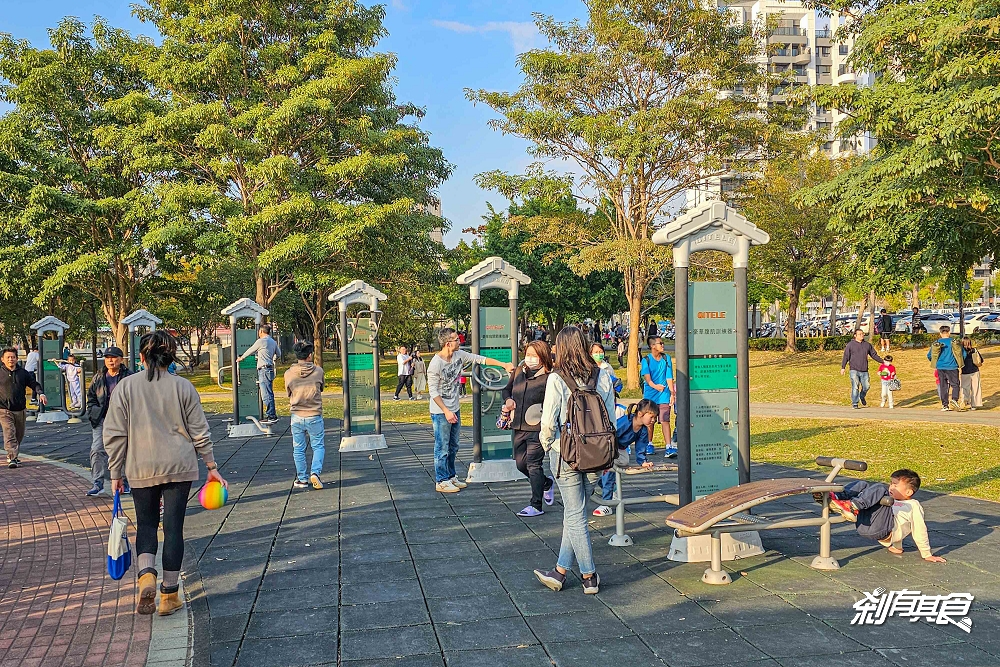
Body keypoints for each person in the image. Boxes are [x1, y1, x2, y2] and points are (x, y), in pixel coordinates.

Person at [104, 331, 227, 616]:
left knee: (146, 525)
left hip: (141, 466)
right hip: (179, 466)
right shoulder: (183, 387)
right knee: (173, 529)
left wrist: (115, 472)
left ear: (142, 357)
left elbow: (114, 434)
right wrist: (211, 466)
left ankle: (146, 574)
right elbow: (200, 431)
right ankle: (169, 595)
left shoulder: (125, 387)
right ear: (170, 357)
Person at [533, 326, 619, 595]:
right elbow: (611, 418)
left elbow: (548, 422)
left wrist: (549, 445)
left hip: (566, 454)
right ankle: (559, 571)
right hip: (597, 454)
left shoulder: (557, 378)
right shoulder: (602, 375)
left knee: (575, 515)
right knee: (576, 514)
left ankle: (589, 575)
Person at [427, 328, 514, 493]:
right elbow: (433, 392)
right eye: (456, 339)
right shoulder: (435, 364)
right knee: (442, 447)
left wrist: (503, 365)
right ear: (447, 343)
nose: (460, 341)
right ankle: (441, 480)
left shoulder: (459, 355)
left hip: (455, 408)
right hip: (441, 412)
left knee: (454, 446)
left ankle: (451, 476)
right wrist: (446, 411)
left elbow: (481, 359)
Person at [827, 469, 946, 563]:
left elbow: (918, 528)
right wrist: (898, 547)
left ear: (909, 492)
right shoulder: (888, 500)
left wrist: (927, 554)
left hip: (881, 529)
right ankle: (835, 498)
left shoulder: (913, 505)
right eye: (891, 483)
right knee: (862, 484)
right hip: (864, 524)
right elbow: (900, 522)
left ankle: (852, 506)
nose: (891, 487)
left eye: (895, 485)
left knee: (881, 489)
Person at [500, 340, 555, 516]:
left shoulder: (549, 377)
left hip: (537, 427)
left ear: (543, 357)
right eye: (528, 354)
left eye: (534, 355)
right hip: (518, 425)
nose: (530, 359)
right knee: (520, 464)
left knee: (533, 464)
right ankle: (546, 484)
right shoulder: (518, 372)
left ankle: (536, 504)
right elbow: (506, 390)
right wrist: (508, 400)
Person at [593, 400, 659, 516]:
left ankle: (607, 488)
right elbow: (611, 434)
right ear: (640, 414)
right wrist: (607, 453)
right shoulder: (626, 422)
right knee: (609, 469)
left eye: (655, 417)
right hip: (607, 446)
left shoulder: (643, 430)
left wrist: (642, 461)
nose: (653, 420)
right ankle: (606, 503)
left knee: (622, 463)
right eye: (652, 417)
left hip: (620, 450)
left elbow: (640, 446)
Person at [86, 347, 131, 496]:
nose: (110, 360)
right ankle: (98, 482)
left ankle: (124, 481)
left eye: (113, 357)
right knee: (97, 449)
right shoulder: (99, 377)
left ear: (121, 359)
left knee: (123, 450)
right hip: (101, 418)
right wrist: (93, 412)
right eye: (107, 357)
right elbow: (91, 397)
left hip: (122, 419)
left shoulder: (129, 377)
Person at [284, 341, 326, 489]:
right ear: (310, 355)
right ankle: (315, 472)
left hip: (296, 415)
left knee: (299, 448)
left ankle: (302, 478)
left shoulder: (288, 374)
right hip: (314, 414)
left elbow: (288, 392)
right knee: (318, 446)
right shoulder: (318, 371)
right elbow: (321, 387)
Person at [0, 348, 46, 469]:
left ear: (17, 358)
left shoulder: (23, 373)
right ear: (2, 359)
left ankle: (13, 455)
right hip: (4, 409)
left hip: (20, 409)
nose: (11, 359)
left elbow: (34, 384)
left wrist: (40, 393)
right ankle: (12, 457)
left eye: (13, 357)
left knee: (19, 435)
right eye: (8, 357)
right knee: (9, 432)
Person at [235, 324, 281, 423]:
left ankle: (271, 416)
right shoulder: (273, 342)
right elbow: (279, 354)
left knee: (266, 395)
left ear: (261, 331)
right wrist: (272, 359)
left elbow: (251, 350)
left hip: (263, 370)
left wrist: (241, 358)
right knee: (269, 392)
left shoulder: (261, 341)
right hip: (270, 369)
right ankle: (271, 414)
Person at [641, 336, 676, 457]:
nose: (663, 345)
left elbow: (669, 377)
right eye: (660, 343)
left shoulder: (666, 359)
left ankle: (669, 447)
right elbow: (648, 380)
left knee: (665, 420)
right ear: (652, 346)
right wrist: (656, 387)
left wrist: (672, 393)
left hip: (664, 396)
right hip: (650, 396)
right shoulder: (646, 360)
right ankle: (649, 444)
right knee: (650, 421)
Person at [840, 329, 884, 409]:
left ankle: (862, 396)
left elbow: (874, 355)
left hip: (864, 370)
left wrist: (882, 361)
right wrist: (843, 367)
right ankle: (855, 403)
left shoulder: (867, 345)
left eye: (862, 334)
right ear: (855, 335)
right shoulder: (850, 345)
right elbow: (846, 356)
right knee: (855, 386)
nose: (862, 335)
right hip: (854, 369)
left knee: (866, 386)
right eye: (859, 334)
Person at [927, 325, 965, 411]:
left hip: (940, 367)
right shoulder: (954, 342)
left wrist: (936, 362)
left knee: (943, 386)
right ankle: (954, 399)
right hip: (952, 366)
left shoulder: (936, 343)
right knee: (955, 384)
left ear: (940, 333)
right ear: (949, 332)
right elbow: (963, 354)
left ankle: (945, 405)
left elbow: (929, 355)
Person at [960, 336, 984, 410]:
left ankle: (964, 401)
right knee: (975, 388)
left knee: (964, 388)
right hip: (975, 371)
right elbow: (981, 360)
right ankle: (975, 404)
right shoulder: (974, 350)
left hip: (965, 372)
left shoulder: (961, 351)